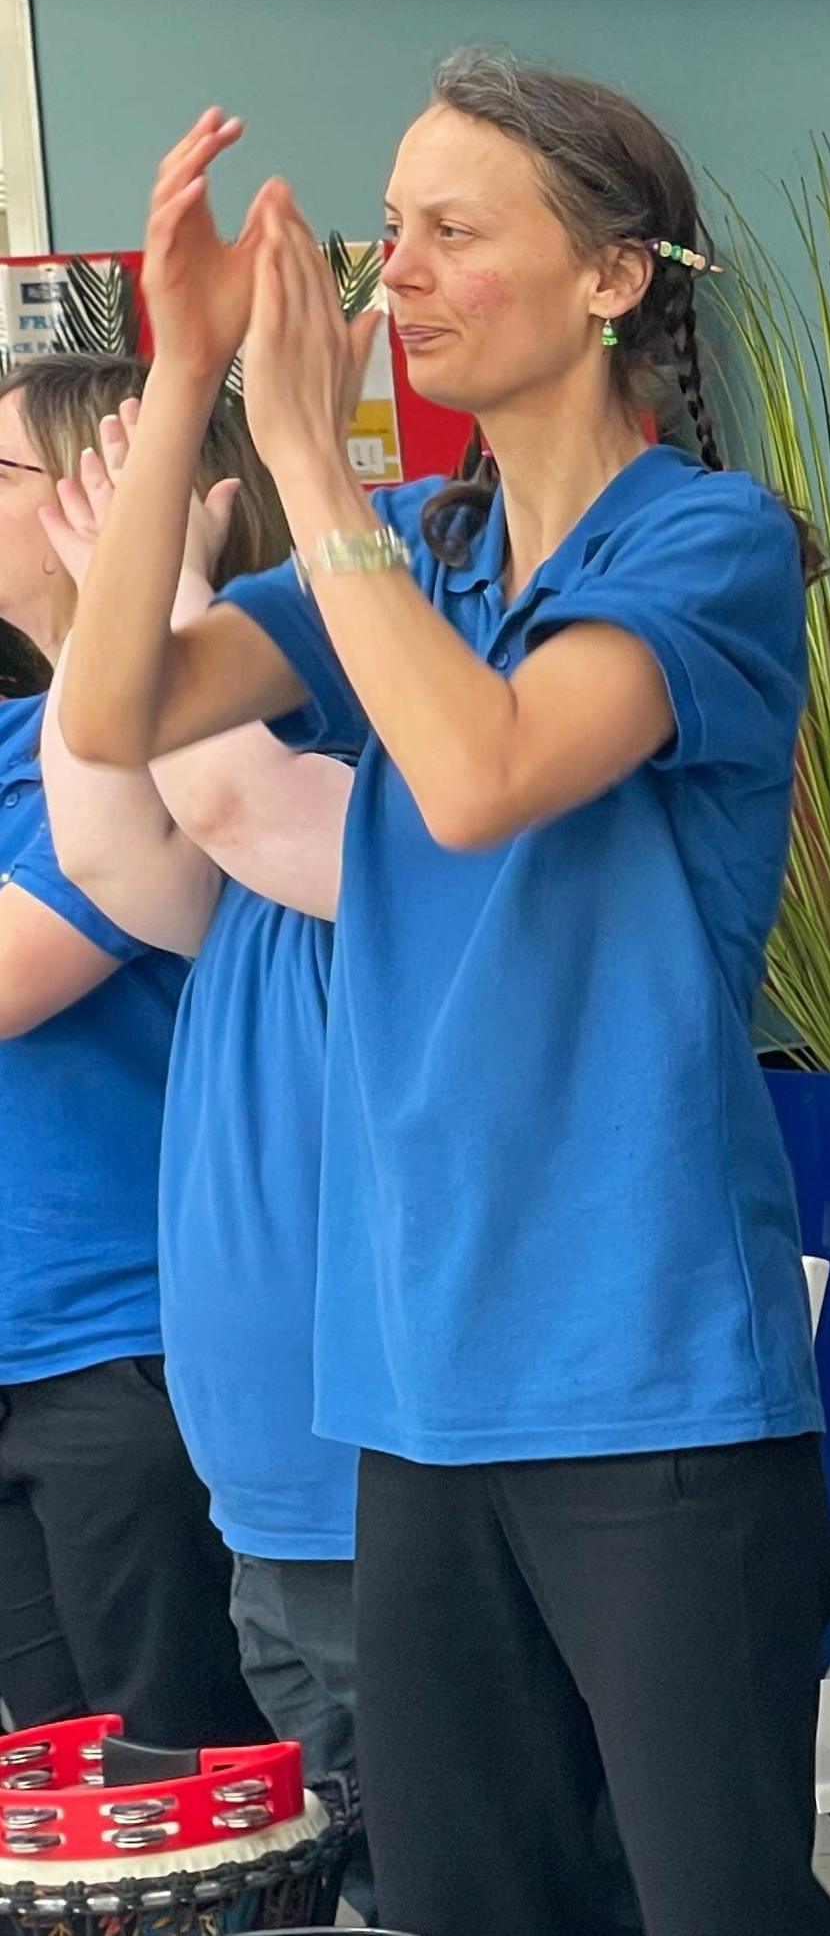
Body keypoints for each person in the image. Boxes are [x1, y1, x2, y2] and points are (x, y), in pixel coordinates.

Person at [60, 67, 830, 1935]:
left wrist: (313, 468)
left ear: (614, 277)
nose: (391, 271)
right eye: (387, 229)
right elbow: (109, 711)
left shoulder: (706, 546)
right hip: (417, 1386)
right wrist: (180, 377)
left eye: (451, 230)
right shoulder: (421, 548)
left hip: (646, 1377)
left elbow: (483, 770)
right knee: (472, 1899)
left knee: (707, 1903)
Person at [29, 370, 358, 1864]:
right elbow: (119, 835)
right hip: (199, 1432)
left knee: (237, 1825)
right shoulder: (108, 783)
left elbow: (196, 822)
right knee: (85, 1830)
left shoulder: (277, 776)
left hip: (184, 1382)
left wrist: (144, 605)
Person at [0, 356, 258, 1754]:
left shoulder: (135, 748)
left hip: (125, 1353)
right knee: (64, 1812)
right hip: (17, 1351)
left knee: (185, 1788)